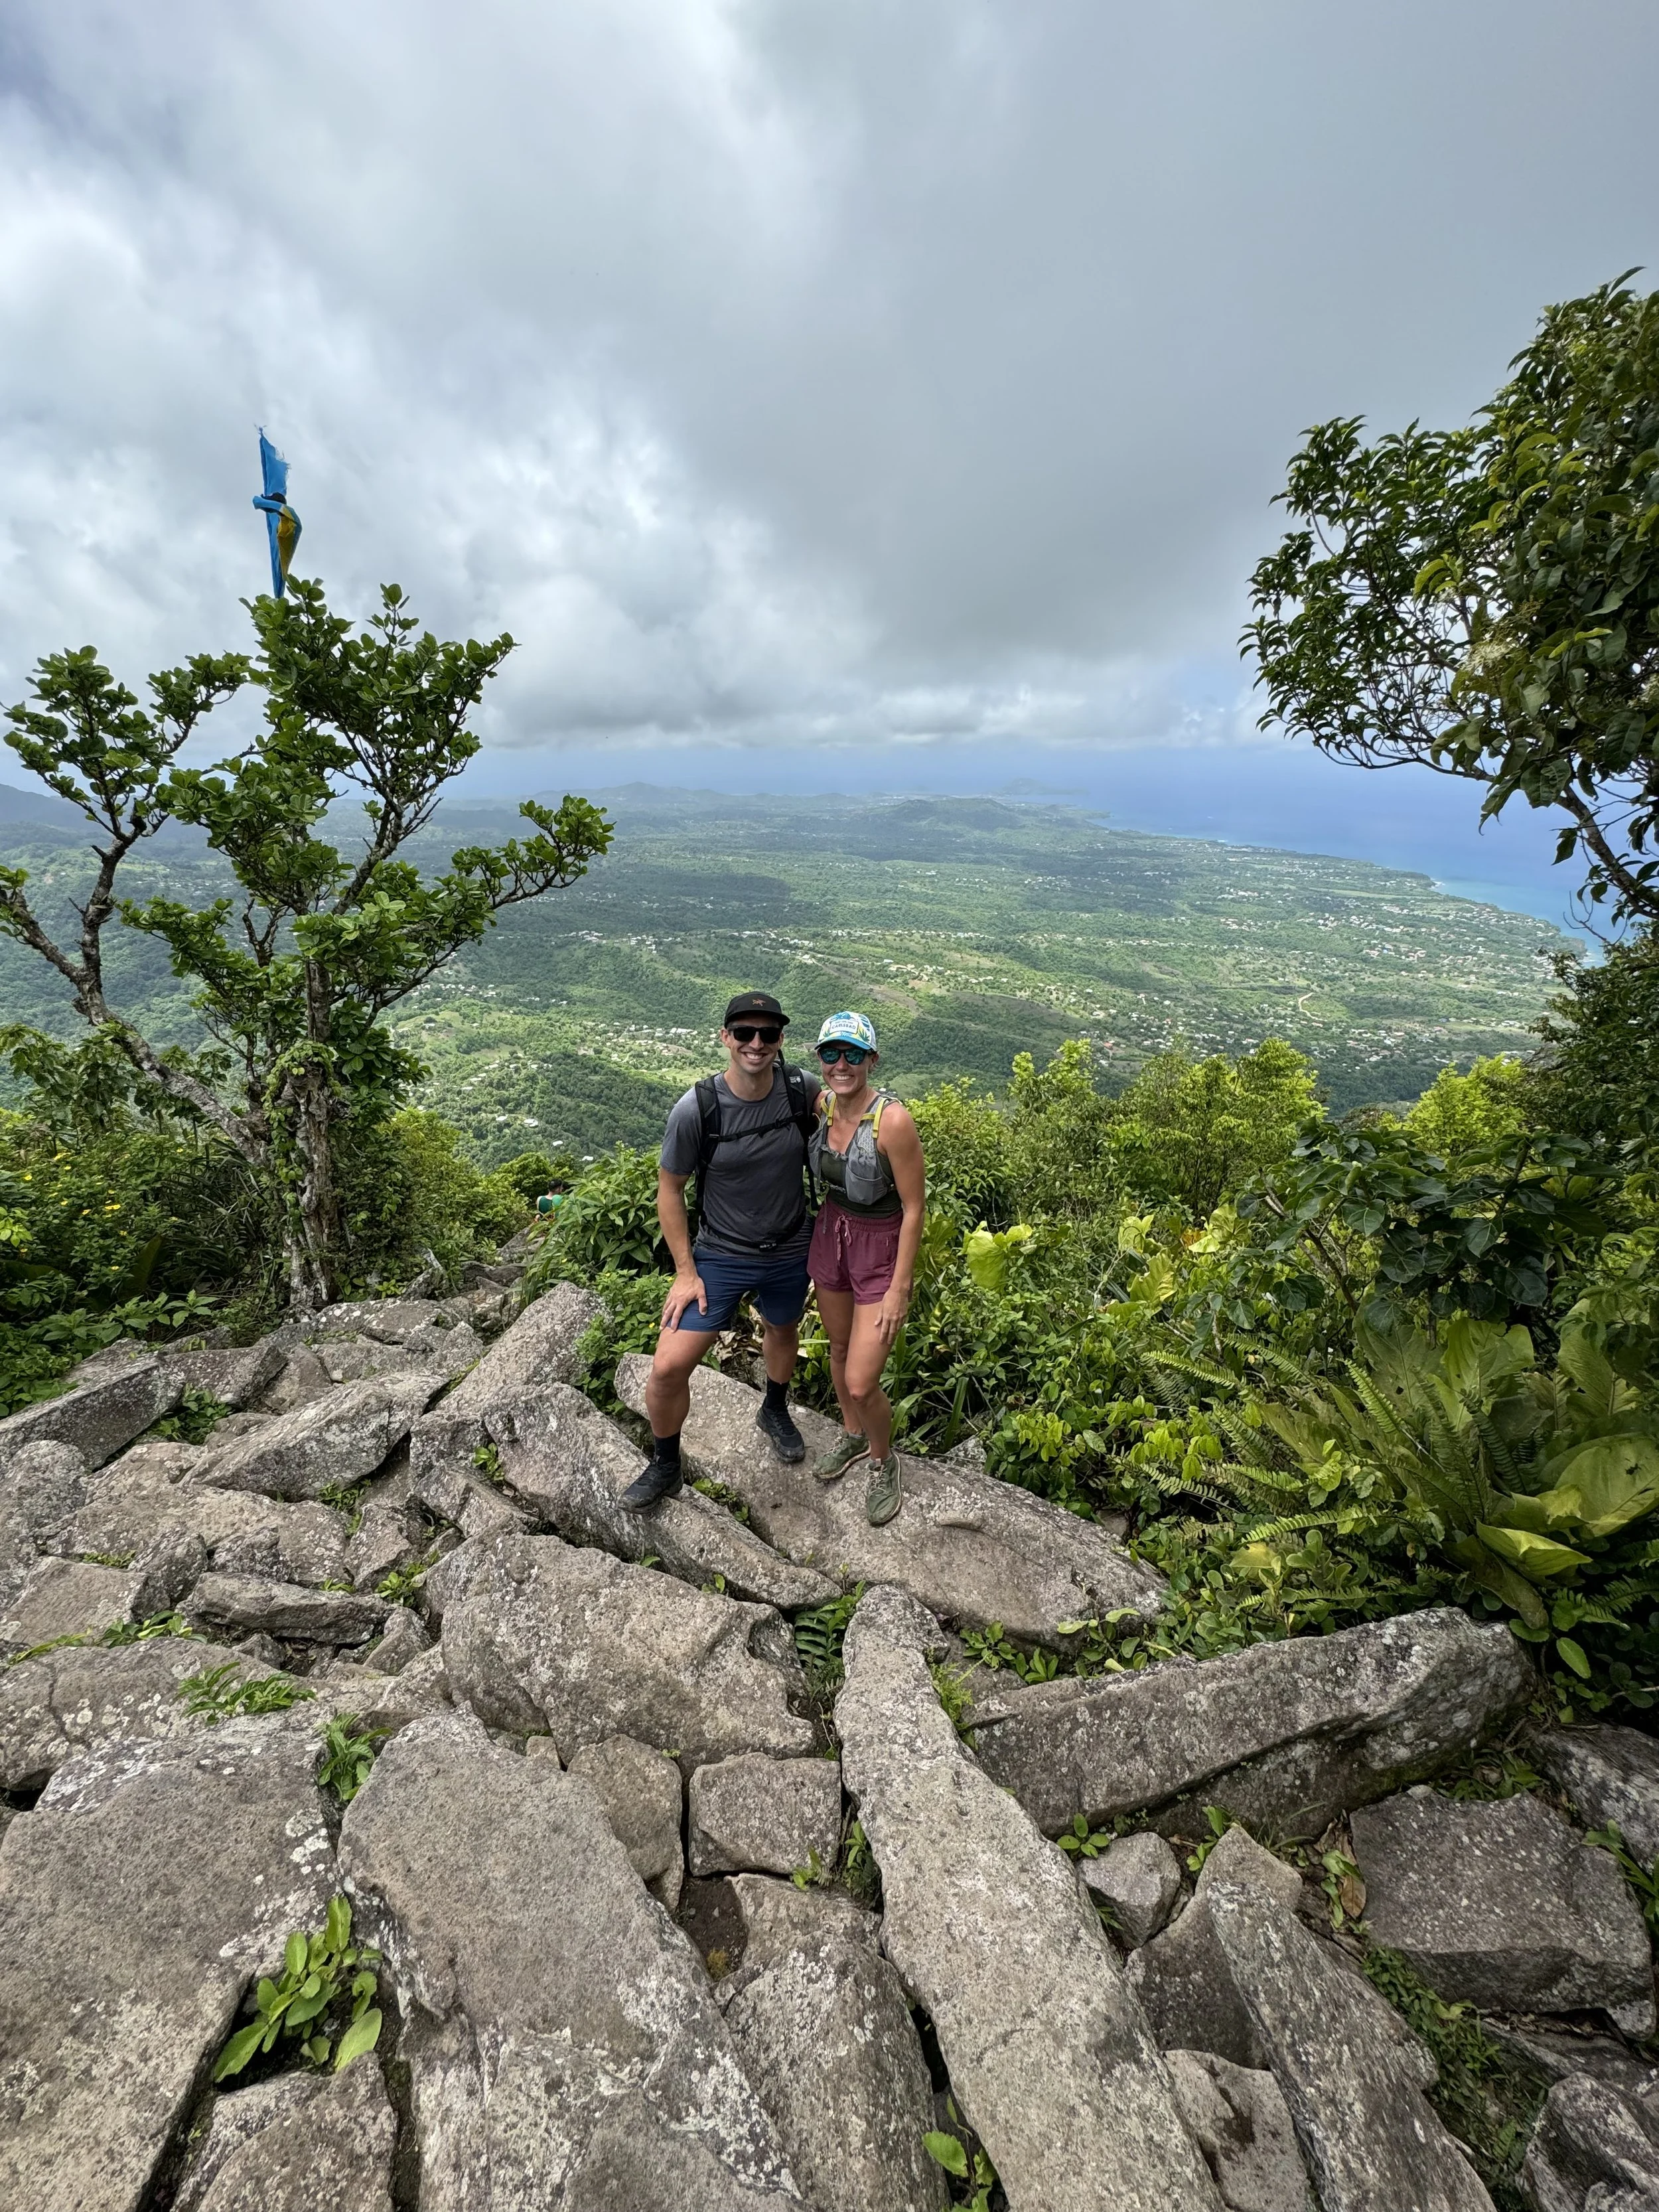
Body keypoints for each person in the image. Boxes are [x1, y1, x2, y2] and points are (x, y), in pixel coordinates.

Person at [620, 992, 820, 1511]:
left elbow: (850, 1118)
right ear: (726, 1037)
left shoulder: (800, 1091)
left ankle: (774, 1408)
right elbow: (670, 1189)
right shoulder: (698, 1108)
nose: (757, 1043)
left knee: (782, 1328)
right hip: (721, 1254)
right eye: (745, 1032)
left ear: (781, 1039)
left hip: (790, 1246)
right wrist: (685, 1271)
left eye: (768, 1033)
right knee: (668, 1367)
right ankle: (666, 1463)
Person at [806, 1011, 925, 1526]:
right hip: (832, 1236)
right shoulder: (824, 1104)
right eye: (831, 1053)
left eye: (853, 1053)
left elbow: (915, 1207)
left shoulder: (891, 1121)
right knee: (837, 1348)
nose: (841, 1063)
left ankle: (882, 1458)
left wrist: (900, 1287)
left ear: (872, 1060)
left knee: (860, 1380)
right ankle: (852, 1433)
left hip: (880, 1248)